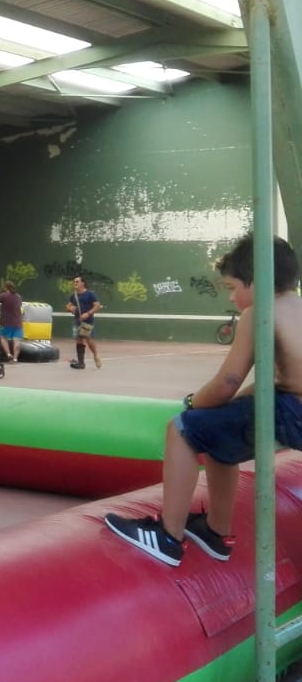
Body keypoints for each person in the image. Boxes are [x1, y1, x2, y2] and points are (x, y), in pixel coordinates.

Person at [104, 234, 302, 567]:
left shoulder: (259, 313)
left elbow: (227, 381)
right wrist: (226, 407)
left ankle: (167, 536)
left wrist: (194, 402)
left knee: (183, 428)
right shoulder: (296, 306)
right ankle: (215, 531)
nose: (232, 296)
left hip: (290, 413)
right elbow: (279, 381)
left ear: (257, 281)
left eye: (232, 287)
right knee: (219, 433)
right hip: (293, 408)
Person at [68, 275, 103, 368]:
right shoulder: (73, 295)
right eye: (74, 282)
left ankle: (96, 355)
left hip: (88, 320)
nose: (75, 283)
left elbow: (97, 306)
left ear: (83, 283)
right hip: (77, 320)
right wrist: (70, 308)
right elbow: (68, 306)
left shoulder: (90, 294)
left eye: (77, 281)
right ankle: (81, 363)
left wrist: (88, 313)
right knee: (79, 340)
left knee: (88, 339)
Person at [0, 281, 24, 363]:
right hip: (18, 322)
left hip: (6, 322)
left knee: (3, 338)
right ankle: (15, 358)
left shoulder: (3, 295)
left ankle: (8, 354)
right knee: (17, 340)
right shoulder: (18, 297)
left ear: (5, 287)